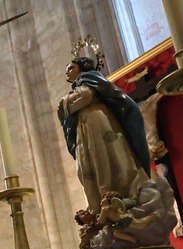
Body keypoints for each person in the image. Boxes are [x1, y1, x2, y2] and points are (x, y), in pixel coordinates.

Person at [57, 55, 151, 212]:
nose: (67, 73)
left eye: (71, 68)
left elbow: (84, 97)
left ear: (83, 68)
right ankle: (99, 205)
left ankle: (115, 196)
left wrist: (63, 103)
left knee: (105, 158)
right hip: (84, 128)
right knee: (88, 164)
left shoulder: (92, 80)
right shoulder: (81, 85)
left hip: (98, 123)